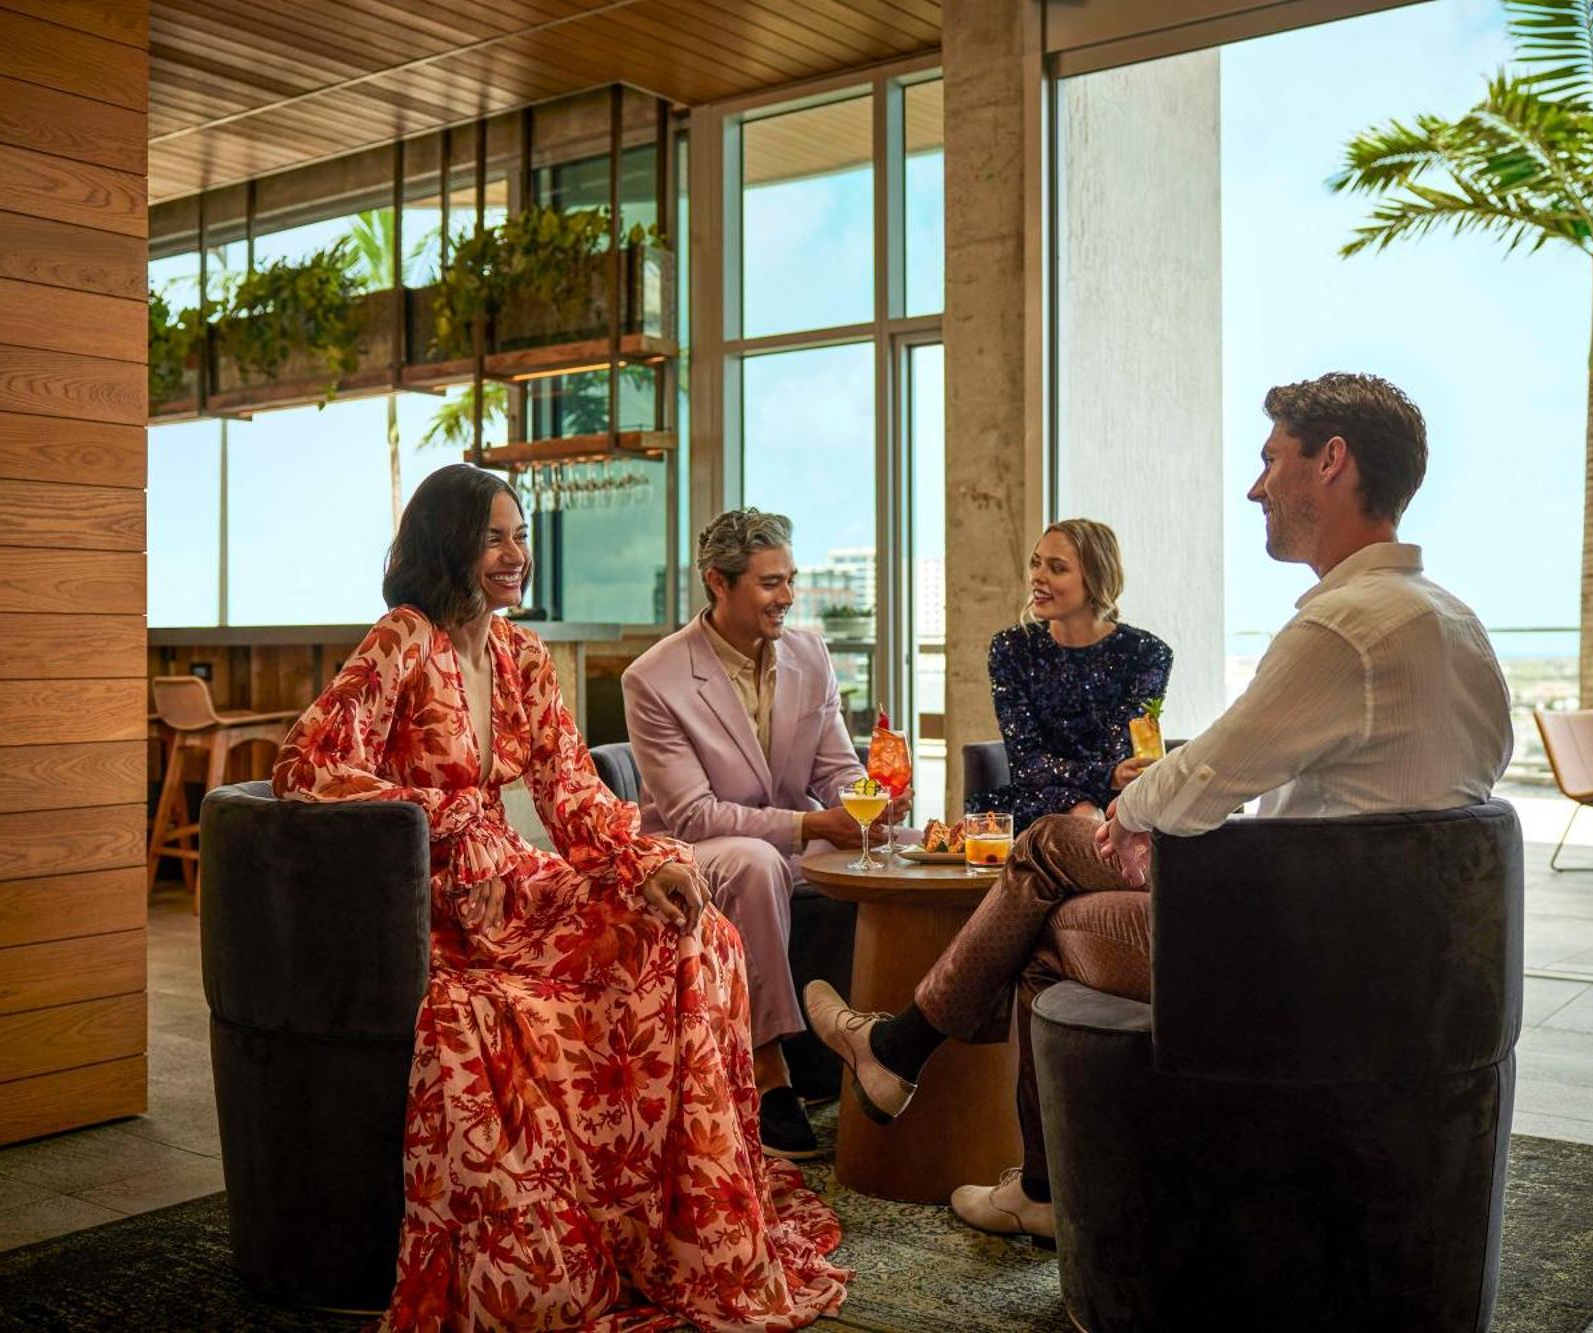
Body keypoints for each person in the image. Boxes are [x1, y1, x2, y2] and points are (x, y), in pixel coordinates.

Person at [806, 372, 1514, 1245]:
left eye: (1269, 461)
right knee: (1054, 862)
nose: (1256, 487)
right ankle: (939, 1088)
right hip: (1399, 952)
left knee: (1049, 884)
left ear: (1331, 462)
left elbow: (1207, 771)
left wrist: (1127, 815)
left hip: (1289, 954)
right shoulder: (1455, 621)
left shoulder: (1346, 626)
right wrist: (1142, 810)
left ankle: (925, 1073)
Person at [273, 466, 849, 1331]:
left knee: (695, 937)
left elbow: (573, 793)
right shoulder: (401, 637)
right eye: (497, 537)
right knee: (518, 1006)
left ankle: (675, 1225)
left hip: (514, 876)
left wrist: (641, 859)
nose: (517, 556)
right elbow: (307, 763)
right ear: (450, 543)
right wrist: (430, 813)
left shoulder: (522, 655)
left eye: (522, 536)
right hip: (432, 893)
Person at [622, 507, 906, 1162]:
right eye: (770, 583)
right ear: (719, 583)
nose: (788, 597)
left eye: (791, 579)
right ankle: (770, 1073)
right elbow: (693, 814)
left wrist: (872, 807)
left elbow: (836, 770)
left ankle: (885, 1047)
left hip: (785, 840)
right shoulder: (653, 679)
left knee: (908, 846)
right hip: (697, 850)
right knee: (755, 864)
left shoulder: (809, 654)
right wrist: (812, 824)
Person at [968, 519, 1173, 825]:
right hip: (1036, 799)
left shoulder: (1147, 653)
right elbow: (1027, 763)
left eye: (1057, 568)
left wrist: (1108, 779)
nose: (1038, 577)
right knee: (1084, 815)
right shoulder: (1011, 649)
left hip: (1117, 801)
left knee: (1104, 816)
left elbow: (1120, 755)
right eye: (1036, 564)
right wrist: (1104, 779)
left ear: (1095, 579)